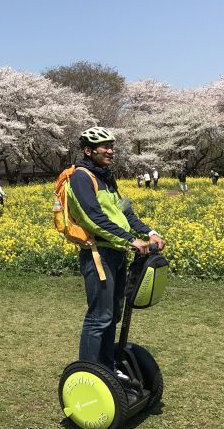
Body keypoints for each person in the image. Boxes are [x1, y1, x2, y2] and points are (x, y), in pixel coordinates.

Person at [67, 127, 166, 381]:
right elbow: (93, 218)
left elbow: (125, 212)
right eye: (104, 146)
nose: (110, 150)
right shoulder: (81, 177)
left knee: (113, 314)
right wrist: (130, 239)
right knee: (99, 317)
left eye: (111, 145)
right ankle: (89, 375)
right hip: (99, 255)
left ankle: (107, 368)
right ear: (89, 151)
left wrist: (148, 232)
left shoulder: (107, 178)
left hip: (118, 253)